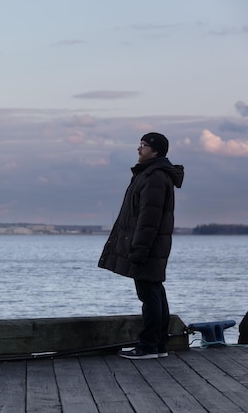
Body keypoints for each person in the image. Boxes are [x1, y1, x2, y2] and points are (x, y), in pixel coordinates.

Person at [98, 132, 184, 360]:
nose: (139, 149)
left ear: (154, 151)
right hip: (152, 246)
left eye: (143, 146)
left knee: (149, 295)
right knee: (155, 292)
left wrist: (139, 249)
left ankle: (148, 347)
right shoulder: (151, 174)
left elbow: (149, 219)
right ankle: (158, 345)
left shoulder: (154, 177)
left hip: (148, 248)